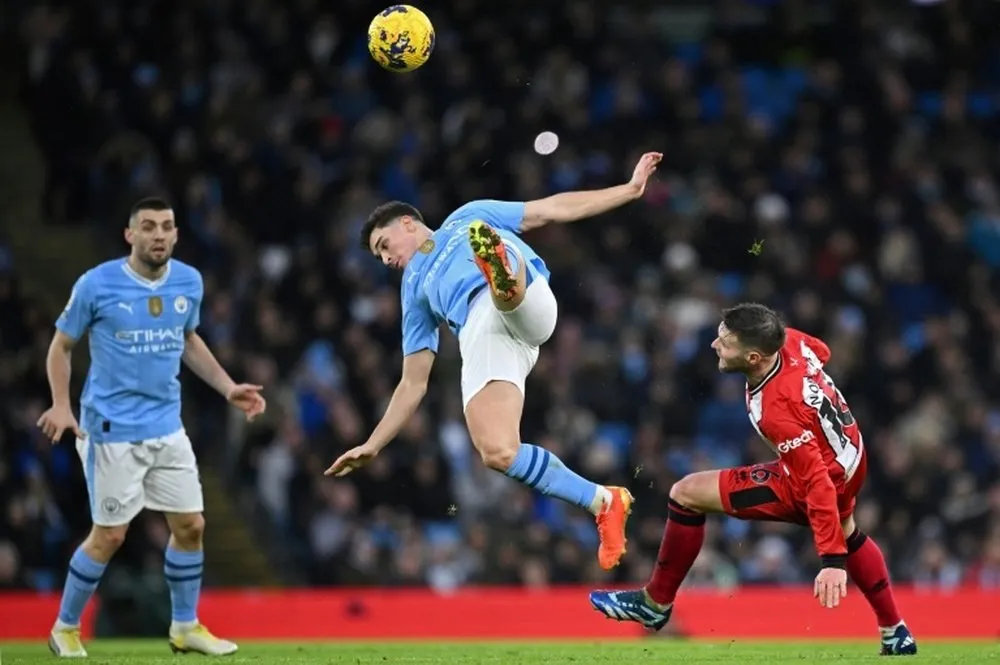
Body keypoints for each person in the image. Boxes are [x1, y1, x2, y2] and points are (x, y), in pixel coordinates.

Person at [325, 152, 663, 570]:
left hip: (525, 301)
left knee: (497, 270)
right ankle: (603, 501)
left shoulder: (467, 216)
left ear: (407, 223)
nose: (385, 259)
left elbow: (548, 210)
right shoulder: (413, 290)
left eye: (383, 246)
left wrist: (627, 191)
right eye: (378, 257)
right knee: (496, 451)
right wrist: (373, 444)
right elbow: (413, 381)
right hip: (484, 338)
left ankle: (499, 267)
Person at [589, 303, 918, 656]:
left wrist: (832, 563)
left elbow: (817, 482)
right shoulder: (789, 340)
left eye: (726, 344)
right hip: (851, 454)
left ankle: (654, 604)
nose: (716, 346)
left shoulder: (776, 409)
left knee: (685, 494)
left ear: (754, 358)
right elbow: (822, 351)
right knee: (847, 526)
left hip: (822, 477)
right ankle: (895, 632)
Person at [37, 197, 267, 658]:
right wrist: (61, 405)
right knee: (111, 535)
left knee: (191, 526)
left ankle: (185, 627)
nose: (158, 234)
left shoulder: (188, 281)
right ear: (130, 235)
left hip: (166, 425)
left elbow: (187, 339)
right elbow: (61, 346)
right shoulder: (96, 285)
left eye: (166, 226)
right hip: (110, 429)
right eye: (148, 226)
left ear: (177, 234)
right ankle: (64, 627)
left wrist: (227, 388)